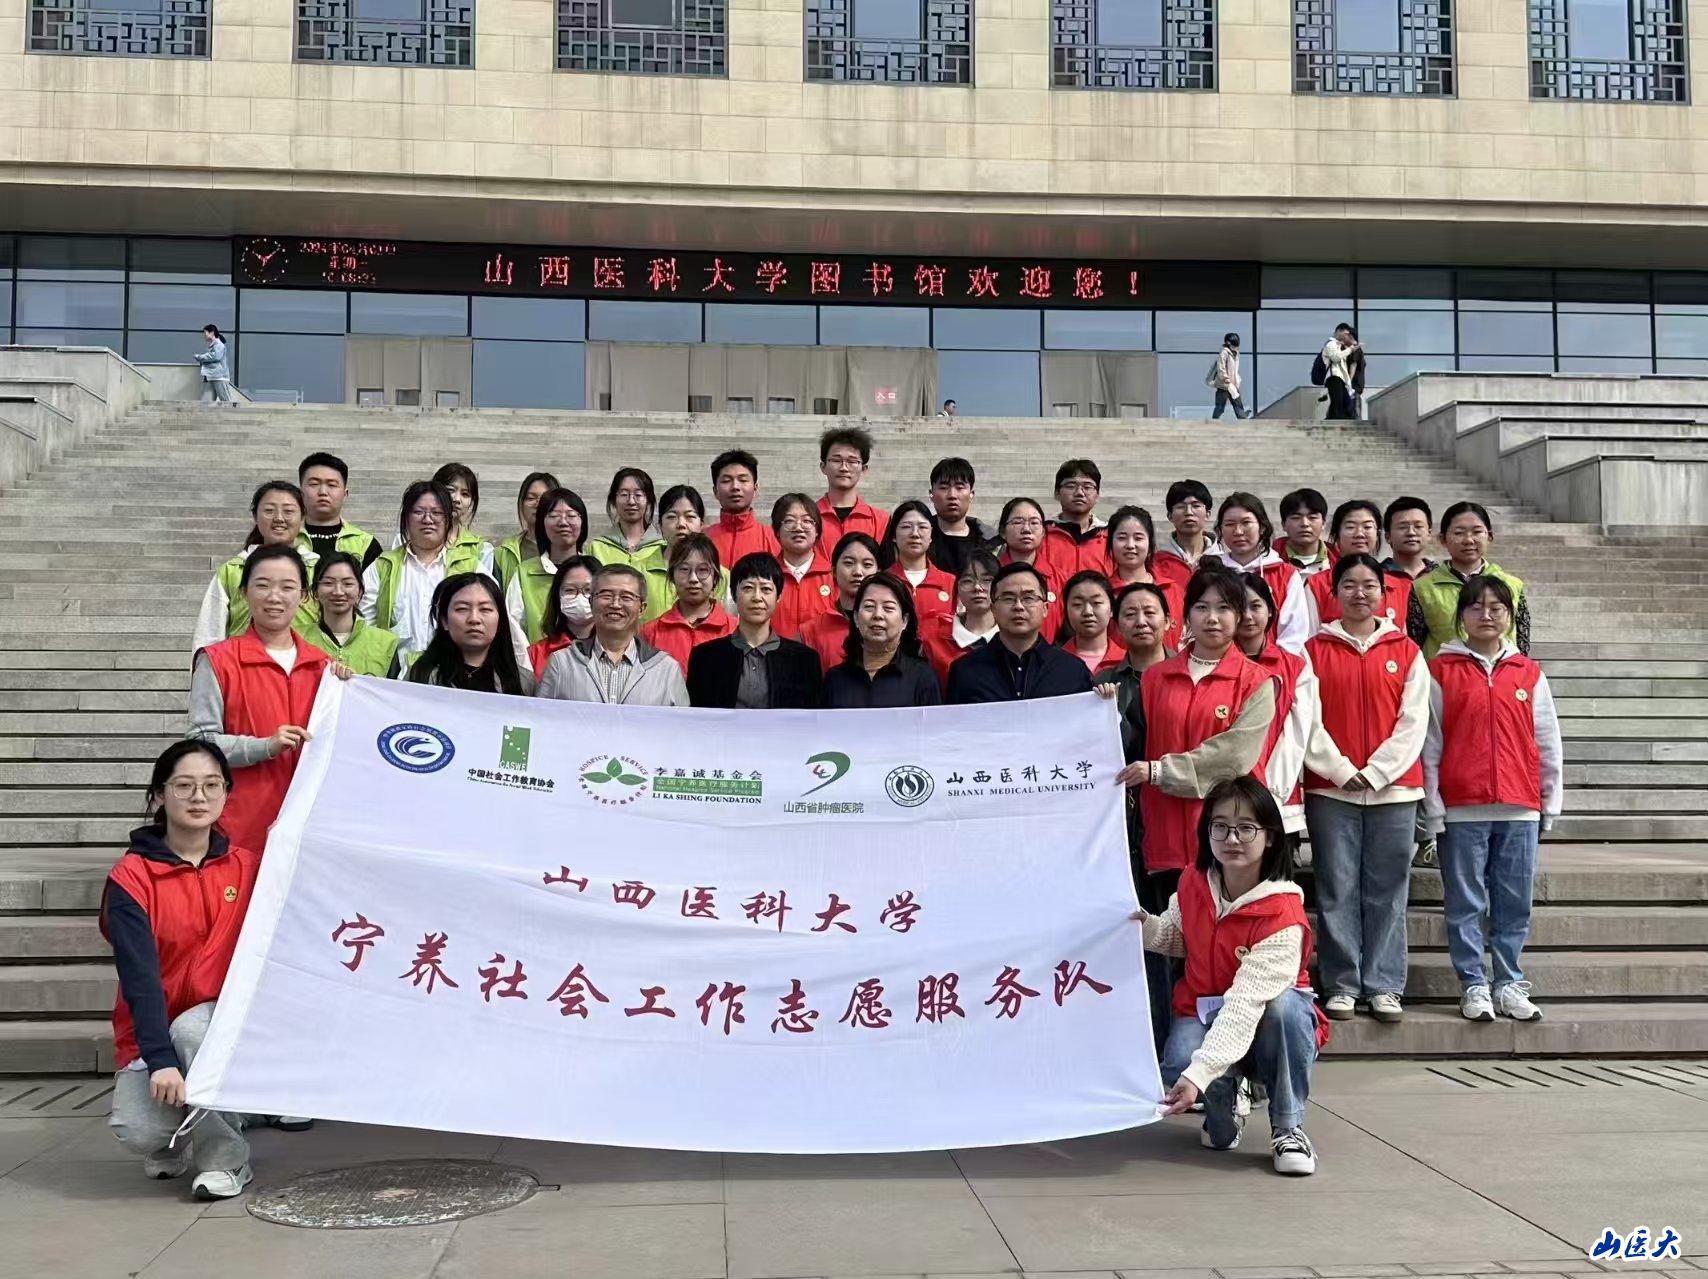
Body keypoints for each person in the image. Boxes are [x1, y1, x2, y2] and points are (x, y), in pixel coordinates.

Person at [1137, 776, 1326, 1176]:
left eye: (1246, 828)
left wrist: (1198, 1075)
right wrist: (1141, 927)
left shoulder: (1283, 915)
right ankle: (1226, 1109)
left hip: (1264, 1022)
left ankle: (1289, 1128)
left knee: (1285, 1008)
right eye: (1220, 826)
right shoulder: (1193, 881)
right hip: (1203, 1009)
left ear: (1270, 837)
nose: (1232, 838)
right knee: (1183, 1071)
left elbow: (1243, 1007)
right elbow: (1177, 936)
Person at [103, 740, 257, 1200]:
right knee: (139, 1130)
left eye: (212, 785)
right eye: (184, 786)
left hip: (218, 1019)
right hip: (154, 1023)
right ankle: (177, 1131)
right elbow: (140, 979)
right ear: (159, 795)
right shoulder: (131, 878)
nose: (199, 797)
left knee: (193, 1031)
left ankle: (226, 1160)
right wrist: (160, 1059)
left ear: (226, 793)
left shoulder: (247, 868)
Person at [1424, 576, 1563, 1024]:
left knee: (1514, 901)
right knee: (1465, 902)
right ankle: (1473, 984)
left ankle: (1508, 982)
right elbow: (1430, 743)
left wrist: (1549, 801)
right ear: (1461, 616)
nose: (1486, 615)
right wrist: (1434, 806)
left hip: (1520, 807)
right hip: (1462, 807)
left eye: (1497, 607)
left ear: (1509, 615)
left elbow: (1547, 740)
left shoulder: (1528, 672)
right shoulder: (1440, 671)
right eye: (1476, 607)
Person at [1303, 553, 1429, 1024]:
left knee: (1389, 889)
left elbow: (1414, 722)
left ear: (1383, 592)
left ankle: (1384, 984)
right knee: (1336, 886)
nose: (1360, 593)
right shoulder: (1313, 651)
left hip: (1394, 792)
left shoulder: (1406, 650)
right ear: (1334, 592)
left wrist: (1377, 772)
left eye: (1369, 585)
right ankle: (1341, 983)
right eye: (1349, 585)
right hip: (1331, 790)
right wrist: (1338, 770)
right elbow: (1307, 720)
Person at [1128, 566, 1277, 900]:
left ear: (1239, 616)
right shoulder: (1155, 678)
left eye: (1224, 608)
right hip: (1165, 830)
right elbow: (1136, 741)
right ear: (1186, 616)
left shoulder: (1256, 681)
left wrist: (1161, 771)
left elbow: (1236, 754)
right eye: (1201, 607)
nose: (1212, 618)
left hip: (1230, 835)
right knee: (1169, 928)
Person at [189, 546, 334, 854]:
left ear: (304, 596)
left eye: (287, 587)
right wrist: (264, 746)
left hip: (309, 829)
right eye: (263, 585)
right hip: (240, 828)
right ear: (244, 592)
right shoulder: (218, 660)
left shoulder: (324, 668)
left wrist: (349, 686)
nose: (274, 596)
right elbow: (200, 741)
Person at [361, 480, 495, 664]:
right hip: (394, 674)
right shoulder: (383, 566)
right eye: (418, 512)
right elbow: (365, 624)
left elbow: (492, 619)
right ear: (406, 518)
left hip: (455, 671)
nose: (427, 519)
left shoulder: (470, 567)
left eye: (437, 513)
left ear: (448, 519)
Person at [537, 563, 690, 706]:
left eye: (626, 597)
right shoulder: (562, 663)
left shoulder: (666, 669)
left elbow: (680, 724)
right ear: (591, 602)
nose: (615, 604)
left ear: (642, 609)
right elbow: (540, 719)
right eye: (606, 595)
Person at [192, 480, 318, 653]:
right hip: (242, 663)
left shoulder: (319, 569)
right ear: (255, 516)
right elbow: (209, 634)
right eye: (269, 511)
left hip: (306, 664)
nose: (279, 518)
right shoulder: (232, 571)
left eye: (288, 511)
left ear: (303, 517)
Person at [1236, 573, 1315, 844]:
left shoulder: (1294, 665)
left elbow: (1297, 733)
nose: (1247, 616)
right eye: (1238, 607)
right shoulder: (1215, 664)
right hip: (1226, 794)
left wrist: (1272, 790)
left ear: (1271, 611)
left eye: (1255, 606)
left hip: (1279, 794)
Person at [686, 553, 823, 709]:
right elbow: (697, 719)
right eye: (748, 588)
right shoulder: (705, 658)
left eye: (766, 589)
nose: (757, 597)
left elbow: (812, 720)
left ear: (778, 596)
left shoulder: (804, 661)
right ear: (734, 594)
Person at [946, 563, 1093, 703]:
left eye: (1028, 598)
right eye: (1008, 598)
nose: (1018, 606)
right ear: (993, 609)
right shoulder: (965, 671)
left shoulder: (1072, 670)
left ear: (1045, 608)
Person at [1411, 501, 1529, 660]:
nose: (1468, 540)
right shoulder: (1422, 588)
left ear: (1490, 536)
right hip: (1443, 674)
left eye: (1477, 531)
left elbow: (1522, 642)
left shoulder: (1512, 585)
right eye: (1459, 533)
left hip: (1501, 673)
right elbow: (1414, 644)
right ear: (1443, 539)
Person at [1213, 491, 1310, 654]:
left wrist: (1271, 663)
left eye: (1246, 522)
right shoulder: (1211, 573)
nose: (1238, 531)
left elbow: (1294, 634)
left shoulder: (1285, 574)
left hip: (1272, 664)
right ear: (1220, 530)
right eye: (1229, 524)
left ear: (1262, 527)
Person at [824, 575, 942, 708]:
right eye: (869, 606)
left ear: (904, 620)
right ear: (856, 618)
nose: (878, 615)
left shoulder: (922, 677)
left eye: (888, 608)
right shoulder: (835, 679)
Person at [407, 572, 530, 695]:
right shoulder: (420, 676)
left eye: (485, 609)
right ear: (444, 621)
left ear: (500, 621)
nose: (474, 619)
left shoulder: (523, 682)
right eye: (462, 609)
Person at [1305, 499, 1414, 634]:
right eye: (1350, 527)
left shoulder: (1398, 587)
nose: (1359, 534)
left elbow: (1402, 638)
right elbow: (1310, 638)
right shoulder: (1316, 585)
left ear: (1378, 533)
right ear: (1336, 535)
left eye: (1367, 527)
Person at [641, 533, 737, 671]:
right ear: (672, 576)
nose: (693, 579)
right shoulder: (650, 633)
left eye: (703, 570)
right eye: (684, 569)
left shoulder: (736, 630)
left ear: (715, 577)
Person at [506, 487, 589, 644]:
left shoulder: (595, 571)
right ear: (542, 524)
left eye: (571, 515)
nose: (563, 522)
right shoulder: (524, 573)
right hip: (537, 658)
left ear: (583, 523)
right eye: (554, 516)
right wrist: (529, 660)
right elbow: (514, 626)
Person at [588, 468, 672, 622]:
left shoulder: (664, 548)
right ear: (614, 500)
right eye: (624, 494)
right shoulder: (597, 547)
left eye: (638, 495)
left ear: (648, 500)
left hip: (655, 628)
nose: (631, 501)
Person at [297, 552, 401, 677]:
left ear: (360, 591)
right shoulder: (296, 638)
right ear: (315, 591)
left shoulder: (386, 643)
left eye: (347, 584)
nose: (338, 592)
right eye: (328, 583)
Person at [1104, 505, 1184, 649]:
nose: (1130, 545)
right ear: (1111, 543)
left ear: (1150, 543)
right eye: (1122, 538)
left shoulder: (1173, 590)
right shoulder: (1104, 593)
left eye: (1138, 538)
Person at [800, 532, 881, 674]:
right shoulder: (810, 631)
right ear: (834, 571)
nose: (858, 572)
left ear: (879, 573)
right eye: (849, 563)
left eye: (867, 564)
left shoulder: (892, 626)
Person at [919, 549, 1000, 688]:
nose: (977, 587)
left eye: (987, 580)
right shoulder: (933, 643)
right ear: (956, 588)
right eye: (967, 581)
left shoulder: (1013, 638)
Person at [995, 496, 1072, 637]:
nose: (1026, 529)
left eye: (1034, 522)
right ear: (1002, 531)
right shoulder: (990, 575)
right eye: (1018, 522)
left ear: (1043, 532)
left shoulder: (1061, 580)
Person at [297, 452, 383, 571]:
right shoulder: (287, 537)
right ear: (301, 493)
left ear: (344, 494)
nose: (323, 492)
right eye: (314, 484)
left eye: (332, 485)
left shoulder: (366, 544)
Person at [771, 494, 835, 640]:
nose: (798, 528)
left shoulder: (832, 575)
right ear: (777, 531)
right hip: (773, 652)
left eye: (807, 521)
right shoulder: (767, 575)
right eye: (789, 521)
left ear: (817, 530)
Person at [881, 499, 956, 624]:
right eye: (906, 527)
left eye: (922, 527)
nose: (915, 534)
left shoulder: (950, 583)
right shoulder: (881, 581)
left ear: (931, 535)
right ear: (893, 535)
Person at [816, 426, 888, 554]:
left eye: (852, 461)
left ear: (864, 469)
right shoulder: (808, 517)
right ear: (823, 467)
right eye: (836, 460)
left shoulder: (881, 521)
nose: (844, 468)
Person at [527, 555, 600, 680]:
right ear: (557, 596)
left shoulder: (620, 649)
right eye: (570, 590)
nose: (580, 597)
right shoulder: (535, 654)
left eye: (588, 590)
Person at [706, 449, 782, 567]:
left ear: (755, 489)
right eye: (726, 481)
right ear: (715, 491)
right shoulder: (703, 539)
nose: (735, 487)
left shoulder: (774, 539)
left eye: (743, 480)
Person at [495, 471, 560, 593]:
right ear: (521, 503)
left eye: (545, 498)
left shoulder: (568, 547)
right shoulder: (504, 552)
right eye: (530, 498)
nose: (537, 504)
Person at [926, 456, 991, 577]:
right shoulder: (918, 538)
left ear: (971, 494)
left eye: (960, 487)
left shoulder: (991, 543)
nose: (952, 495)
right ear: (931, 494)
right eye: (944, 488)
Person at [1046, 459, 1112, 576]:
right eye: (1071, 486)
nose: (1079, 493)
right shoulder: (1041, 533)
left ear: (1097, 495)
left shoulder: (1111, 536)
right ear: (1057, 493)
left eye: (1087, 487)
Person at [1153, 479, 1218, 594]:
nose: (1189, 512)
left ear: (1207, 514)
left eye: (1196, 506)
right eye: (1181, 506)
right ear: (1170, 516)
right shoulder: (1156, 562)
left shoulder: (1223, 560)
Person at [1058, 571, 1124, 674]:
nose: (1087, 612)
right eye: (1077, 604)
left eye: (1096, 603)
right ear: (1066, 610)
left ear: (1112, 609)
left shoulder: (1128, 662)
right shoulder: (1053, 662)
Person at [431, 462, 490, 560]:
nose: (457, 499)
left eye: (465, 494)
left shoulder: (481, 549)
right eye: (450, 490)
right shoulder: (411, 542)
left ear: (471, 502)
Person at [1275, 488, 1331, 577]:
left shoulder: (1338, 560)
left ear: (1323, 523)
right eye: (1296, 518)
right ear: (1283, 524)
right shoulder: (1269, 561)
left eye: (1312, 517)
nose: (1305, 524)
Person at [1382, 496, 1436, 581]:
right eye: (1403, 527)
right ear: (1388, 536)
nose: (1411, 532)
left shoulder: (1443, 576)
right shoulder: (1375, 576)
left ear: (1429, 534)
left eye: (1418, 526)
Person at [1320, 323, 1360, 421]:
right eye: (1345, 334)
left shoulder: (1339, 346)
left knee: (1344, 404)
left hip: (1340, 379)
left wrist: (1350, 346)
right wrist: (1350, 349)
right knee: (1339, 405)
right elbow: (1335, 358)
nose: (1346, 336)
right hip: (1334, 377)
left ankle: (1331, 420)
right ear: (1338, 331)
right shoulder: (1330, 344)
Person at [1208, 332, 1250, 420]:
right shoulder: (1224, 353)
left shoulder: (1235, 353)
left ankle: (1242, 416)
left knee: (1237, 403)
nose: (1236, 346)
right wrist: (1226, 379)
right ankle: (1214, 421)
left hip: (1232, 384)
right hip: (1224, 384)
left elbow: (1234, 370)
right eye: (1234, 344)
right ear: (1228, 343)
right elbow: (1221, 368)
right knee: (1220, 407)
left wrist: (1237, 380)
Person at [195, 324, 234, 402]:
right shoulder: (213, 345)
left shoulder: (219, 344)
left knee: (226, 402)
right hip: (211, 377)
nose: (204, 335)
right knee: (207, 402)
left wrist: (200, 357)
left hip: (219, 377)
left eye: (205, 333)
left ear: (212, 333)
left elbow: (215, 357)